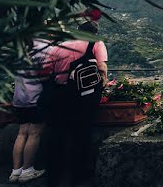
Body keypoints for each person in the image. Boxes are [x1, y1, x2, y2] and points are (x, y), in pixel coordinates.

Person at [46, 18, 108, 186]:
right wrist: (103, 85)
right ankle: (79, 173)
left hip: (60, 94)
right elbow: (102, 68)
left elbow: (47, 71)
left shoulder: (58, 47)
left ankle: (55, 173)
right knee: (82, 132)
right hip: (84, 95)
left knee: (58, 133)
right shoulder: (95, 43)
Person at [9, 40, 51, 183]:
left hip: (19, 98)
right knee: (34, 133)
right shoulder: (44, 47)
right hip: (36, 98)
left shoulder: (20, 46)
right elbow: (45, 74)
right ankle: (27, 170)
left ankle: (15, 172)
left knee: (22, 133)